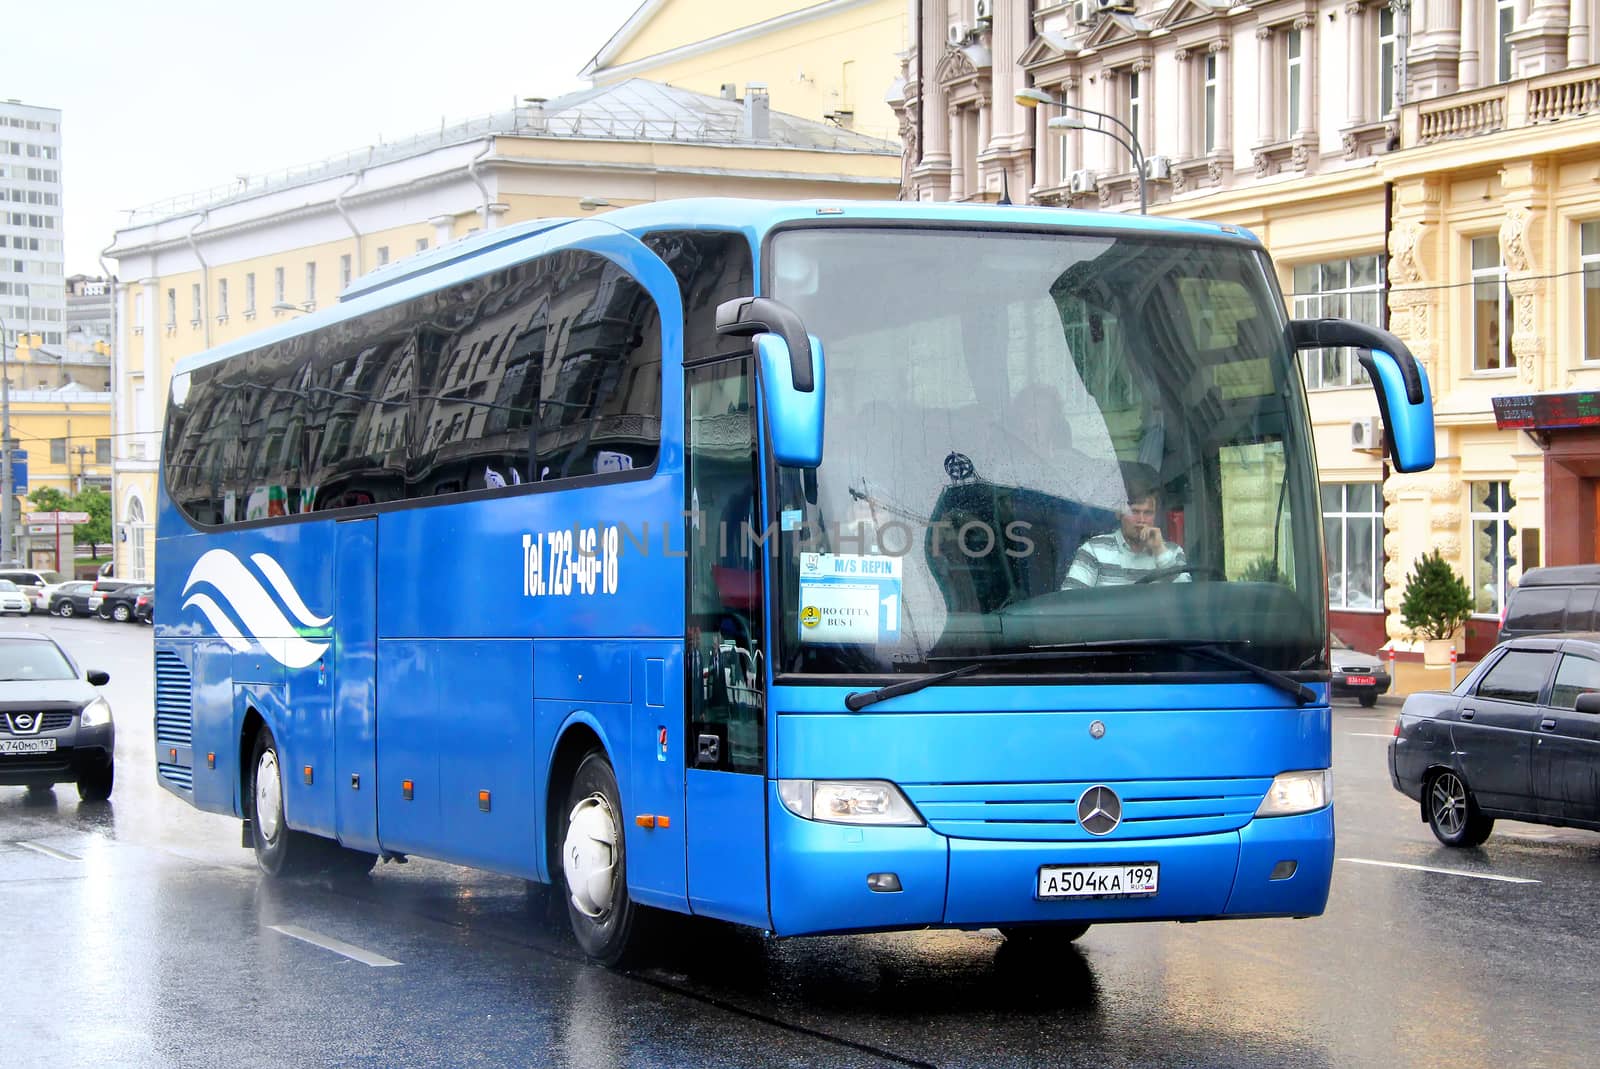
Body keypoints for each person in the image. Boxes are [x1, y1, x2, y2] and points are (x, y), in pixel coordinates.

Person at [1061, 471, 1189, 589]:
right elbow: (1069, 601)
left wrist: (1160, 551)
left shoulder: (1173, 552)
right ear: (1119, 513)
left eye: (1148, 513)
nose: (1142, 520)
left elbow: (1186, 601)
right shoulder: (1094, 550)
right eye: (1135, 512)